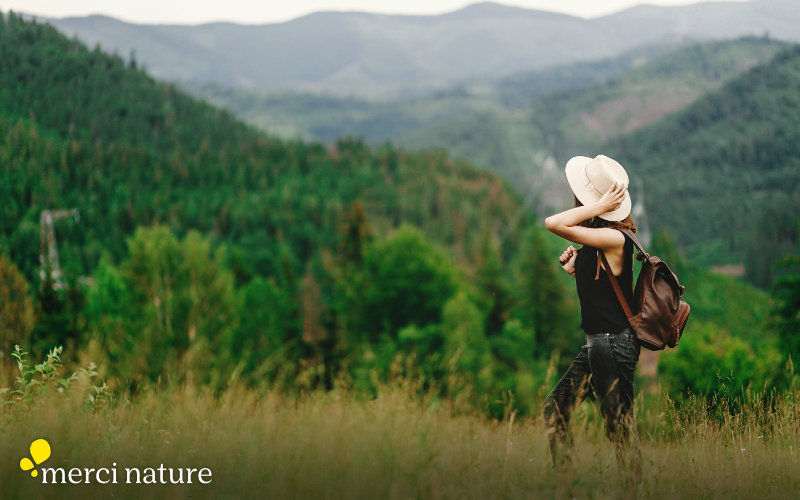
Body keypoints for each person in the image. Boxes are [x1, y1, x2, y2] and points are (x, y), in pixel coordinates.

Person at [541, 154, 642, 484]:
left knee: (620, 429)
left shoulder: (615, 238)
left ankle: (636, 490)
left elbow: (553, 223)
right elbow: (605, 293)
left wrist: (596, 207)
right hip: (599, 343)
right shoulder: (599, 241)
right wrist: (577, 269)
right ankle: (567, 483)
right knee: (555, 409)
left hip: (612, 343)